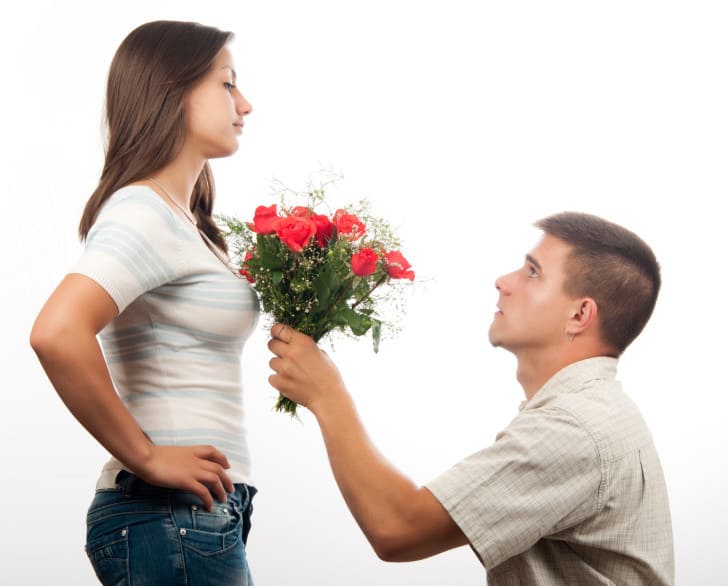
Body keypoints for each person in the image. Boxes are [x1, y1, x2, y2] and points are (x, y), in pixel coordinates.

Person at [267, 211, 675, 585]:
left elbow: (397, 528)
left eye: (532, 273)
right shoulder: (592, 410)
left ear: (579, 315)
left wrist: (326, 394)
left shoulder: (575, 428)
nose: (504, 280)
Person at [30, 20, 258, 585]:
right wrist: (150, 456)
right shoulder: (144, 211)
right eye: (227, 84)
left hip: (193, 515)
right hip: (167, 513)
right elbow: (56, 332)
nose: (245, 104)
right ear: (172, 91)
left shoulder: (187, 224)